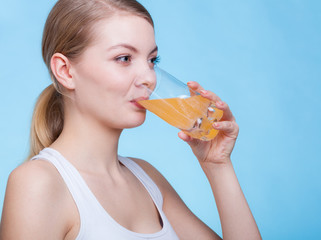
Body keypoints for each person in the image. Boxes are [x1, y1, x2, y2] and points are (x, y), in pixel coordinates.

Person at [0, 0, 261, 239]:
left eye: (152, 60)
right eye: (124, 58)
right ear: (66, 71)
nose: (149, 76)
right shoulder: (37, 184)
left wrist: (218, 166)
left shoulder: (146, 178)